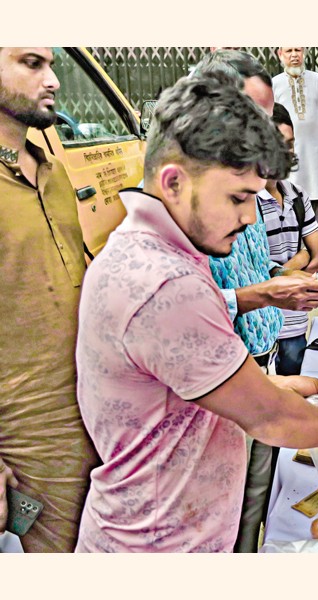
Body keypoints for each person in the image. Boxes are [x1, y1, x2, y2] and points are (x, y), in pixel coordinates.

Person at [74, 72, 318, 553]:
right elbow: (272, 420)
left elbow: (184, 391)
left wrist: (282, 383)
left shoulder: (153, 250)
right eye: (237, 198)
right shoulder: (167, 285)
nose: (250, 217)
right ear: (173, 182)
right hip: (160, 543)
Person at [197, 50, 318, 553]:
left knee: (255, 498)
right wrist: (259, 295)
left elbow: (254, 270)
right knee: (218, 508)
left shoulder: (249, 186)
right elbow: (188, 306)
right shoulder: (185, 201)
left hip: (261, 358)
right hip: (218, 379)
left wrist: (281, 287)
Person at [0, 46, 100, 552]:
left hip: (96, 416)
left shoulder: (53, 173)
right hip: (27, 442)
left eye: (54, 65)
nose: (54, 80)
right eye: (32, 64)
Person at [263, 103, 318, 375]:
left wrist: (281, 271)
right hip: (260, 321)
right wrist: (301, 257)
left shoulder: (297, 195)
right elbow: (254, 272)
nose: (286, 154)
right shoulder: (243, 202)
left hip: (295, 322)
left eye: (290, 145)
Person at [273, 47, 318, 242]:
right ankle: (298, 244)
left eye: (298, 49)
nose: (294, 55)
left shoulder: (317, 80)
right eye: (289, 50)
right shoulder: (274, 83)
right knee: (294, 194)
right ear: (280, 55)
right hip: (292, 151)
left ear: (305, 53)